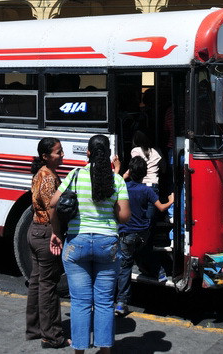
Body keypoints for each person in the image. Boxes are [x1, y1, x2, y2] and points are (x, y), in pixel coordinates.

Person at [49, 135, 130, 354]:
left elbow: (53, 203)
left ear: (88, 153)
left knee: (80, 302)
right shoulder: (117, 180)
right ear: (109, 155)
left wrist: (56, 232)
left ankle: (79, 351)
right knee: (104, 302)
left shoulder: (75, 176)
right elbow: (124, 217)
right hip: (107, 244)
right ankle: (105, 351)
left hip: (77, 243)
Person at [115, 156, 174, 317]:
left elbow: (115, 183)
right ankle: (160, 272)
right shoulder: (147, 190)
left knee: (125, 266)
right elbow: (161, 208)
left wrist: (122, 173)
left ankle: (121, 302)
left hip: (126, 234)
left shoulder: (123, 187)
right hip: (142, 233)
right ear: (145, 174)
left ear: (130, 172)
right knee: (146, 251)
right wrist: (171, 200)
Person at [26, 137, 69, 349]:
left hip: (35, 231)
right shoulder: (48, 177)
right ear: (45, 156)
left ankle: (35, 329)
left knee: (37, 282)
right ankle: (51, 335)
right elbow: (52, 207)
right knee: (48, 285)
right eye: (58, 152)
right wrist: (57, 232)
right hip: (45, 233)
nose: (62, 155)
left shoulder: (42, 172)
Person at [128, 130, 164, 221]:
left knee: (137, 214)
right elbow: (164, 168)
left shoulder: (135, 150)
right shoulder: (157, 151)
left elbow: (135, 166)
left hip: (140, 184)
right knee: (149, 218)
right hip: (153, 184)